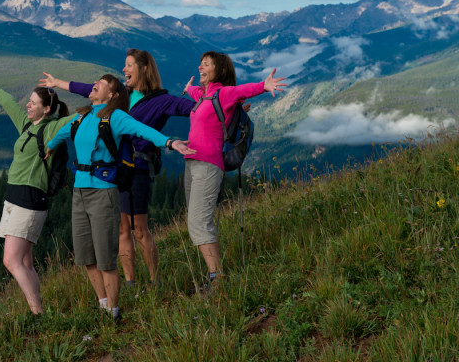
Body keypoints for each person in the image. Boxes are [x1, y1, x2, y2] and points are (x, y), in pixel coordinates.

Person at [40, 48, 194, 288]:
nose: (124, 69)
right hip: (116, 170)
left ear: (144, 68)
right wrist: (57, 83)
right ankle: (131, 283)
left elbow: (191, 109)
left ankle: (155, 282)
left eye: (129, 64)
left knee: (139, 229)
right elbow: (89, 90)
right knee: (122, 228)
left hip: (140, 167)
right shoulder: (121, 94)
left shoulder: (162, 100)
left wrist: (225, 109)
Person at [183, 51, 287, 293]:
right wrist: (187, 89)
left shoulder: (223, 93)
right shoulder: (203, 95)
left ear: (219, 71)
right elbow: (195, 92)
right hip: (192, 163)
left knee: (199, 223)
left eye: (206, 65)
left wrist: (264, 85)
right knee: (195, 221)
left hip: (208, 165)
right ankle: (213, 276)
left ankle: (217, 280)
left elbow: (244, 91)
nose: (200, 67)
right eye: (200, 63)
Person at [0, 78, 73, 314]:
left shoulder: (52, 127)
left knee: (11, 261)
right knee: (26, 263)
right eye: (29, 102)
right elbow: (10, 104)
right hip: (14, 199)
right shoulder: (26, 125)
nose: (28, 106)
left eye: (33, 103)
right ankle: (38, 311)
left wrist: (104, 99)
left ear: (47, 108)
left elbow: (79, 118)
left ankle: (37, 313)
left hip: (30, 201)